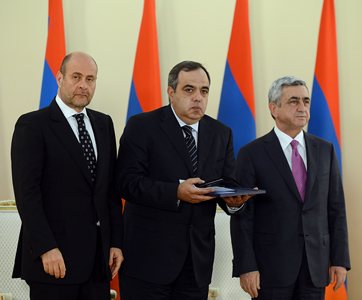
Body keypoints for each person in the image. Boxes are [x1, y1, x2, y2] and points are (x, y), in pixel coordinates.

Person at [116, 61, 251, 300]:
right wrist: (175, 192)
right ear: (171, 92)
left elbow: (227, 183)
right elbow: (127, 182)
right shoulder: (142, 126)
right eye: (189, 90)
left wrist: (233, 201)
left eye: (204, 91)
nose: (198, 97)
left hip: (196, 265)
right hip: (148, 261)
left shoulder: (221, 133)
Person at [11, 52, 124, 300]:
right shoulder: (32, 125)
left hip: (97, 261)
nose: (84, 85)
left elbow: (109, 191)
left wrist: (115, 242)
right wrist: (46, 248)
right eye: (76, 77)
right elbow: (27, 195)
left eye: (90, 79)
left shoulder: (104, 124)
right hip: (54, 260)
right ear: (60, 78)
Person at [231, 76, 350, 299]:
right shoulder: (252, 153)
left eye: (305, 101)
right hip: (270, 268)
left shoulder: (325, 150)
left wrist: (341, 260)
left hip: (315, 266)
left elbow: (336, 209)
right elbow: (243, 216)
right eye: (294, 101)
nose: (302, 107)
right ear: (274, 109)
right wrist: (246, 266)